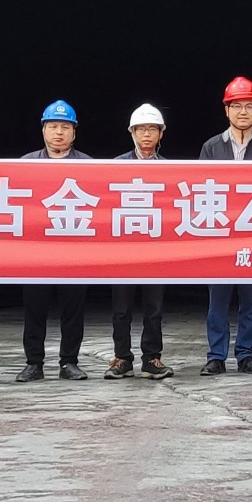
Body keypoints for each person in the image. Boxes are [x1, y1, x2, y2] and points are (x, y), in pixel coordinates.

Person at [201, 76, 252, 375]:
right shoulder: (211, 147)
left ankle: (246, 355)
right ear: (226, 110)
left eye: (249, 106)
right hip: (220, 239)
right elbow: (200, 191)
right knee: (217, 303)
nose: (243, 112)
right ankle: (216, 356)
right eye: (236, 106)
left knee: (251, 303)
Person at [19, 100, 92, 382]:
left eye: (64, 127)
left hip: (73, 251)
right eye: (53, 126)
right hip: (37, 253)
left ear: (74, 132)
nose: (59, 132)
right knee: (34, 309)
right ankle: (33, 363)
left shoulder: (89, 166)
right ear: (43, 130)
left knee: (73, 309)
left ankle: (69, 362)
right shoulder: (26, 164)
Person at [108, 104, 172, 380]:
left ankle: (151, 358)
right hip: (124, 250)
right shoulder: (115, 166)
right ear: (131, 132)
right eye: (141, 129)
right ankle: (122, 358)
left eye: (152, 129)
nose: (146, 134)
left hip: (156, 250)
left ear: (161, 133)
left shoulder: (172, 169)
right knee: (121, 309)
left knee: (154, 309)